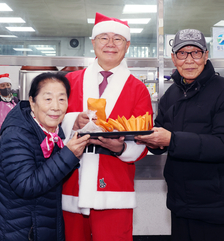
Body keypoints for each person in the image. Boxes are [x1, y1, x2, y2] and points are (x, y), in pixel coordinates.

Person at [135, 29, 224, 241]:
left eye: (196, 53)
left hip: (214, 203)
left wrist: (172, 140)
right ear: (174, 58)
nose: (189, 60)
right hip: (179, 200)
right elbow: (161, 132)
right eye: (182, 53)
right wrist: (149, 140)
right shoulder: (171, 94)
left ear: (206, 55)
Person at [61, 12, 153, 241]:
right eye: (103, 37)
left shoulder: (138, 89)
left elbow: (144, 141)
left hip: (114, 182)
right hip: (72, 181)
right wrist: (72, 121)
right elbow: (47, 125)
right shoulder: (70, 81)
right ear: (93, 42)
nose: (110, 44)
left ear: (127, 45)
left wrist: (120, 148)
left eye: (118, 39)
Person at [0, 72, 90, 241]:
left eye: (61, 99)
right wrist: (69, 155)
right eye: (48, 99)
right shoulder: (16, 135)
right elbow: (26, 185)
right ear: (32, 102)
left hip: (39, 225)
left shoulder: (53, 131)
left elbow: (51, 176)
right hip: (15, 231)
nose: (56, 107)